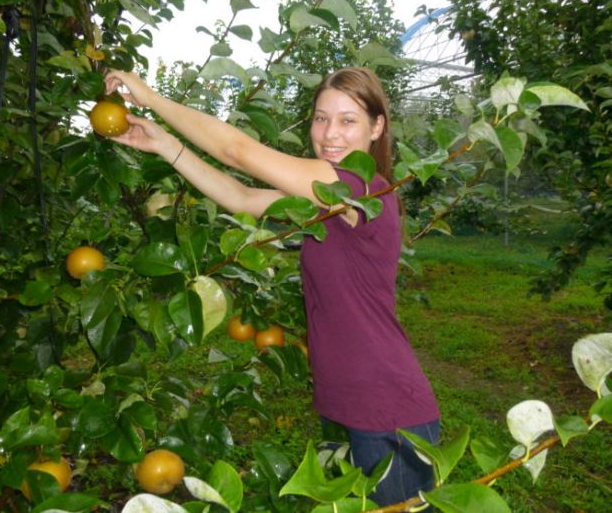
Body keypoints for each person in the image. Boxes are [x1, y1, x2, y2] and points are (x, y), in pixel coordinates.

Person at [104, 67, 441, 507]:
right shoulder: (327, 202)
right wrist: (166, 146)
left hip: (389, 410)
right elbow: (241, 197)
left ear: (377, 128)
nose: (330, 134)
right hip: (351, 405)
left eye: (348, 120)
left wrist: (155, 100)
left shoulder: (360, 189)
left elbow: (238, 152)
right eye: (321, 119)